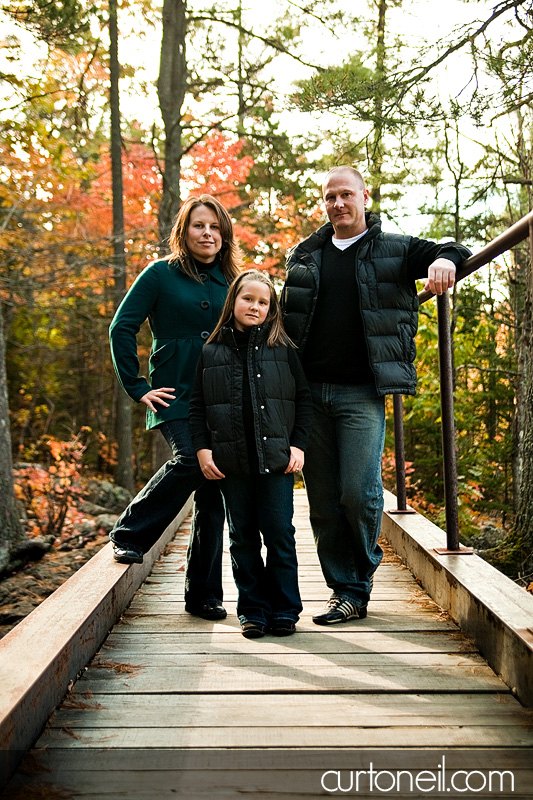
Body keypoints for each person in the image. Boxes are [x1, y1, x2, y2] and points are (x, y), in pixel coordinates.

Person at [281, 166, 471, 625]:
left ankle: (360, 575)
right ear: (323, 203)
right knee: (323, 499)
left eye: (346, 195)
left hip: (361, 393)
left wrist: (445, 261)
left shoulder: (397, 249)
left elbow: (455, 249)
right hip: (311, 394)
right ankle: (344, 591)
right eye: (330, 197)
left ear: (365, 196)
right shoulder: (304, 254)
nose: (338, 204)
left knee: (359, 492)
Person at [108, 194, 241, 621]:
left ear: (225, 236)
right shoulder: (160, 274)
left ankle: (203, 594)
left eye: (215, 228)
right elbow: (122, 327)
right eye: (200, 226)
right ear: (184, 231)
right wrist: (138, 386)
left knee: (212, 493)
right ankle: (130, 532)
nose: (208, 234)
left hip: (219, 396)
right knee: (189, 461)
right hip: (173, 392)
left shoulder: (231, 280)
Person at [189, 270, 313, 638]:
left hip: (276, 460)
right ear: (233, 302)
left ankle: (284, 609)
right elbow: (198, 406)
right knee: (242, 538)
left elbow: (302, 400)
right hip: (231, 463)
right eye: (248, 299)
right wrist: (201, 449)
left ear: (271, 308)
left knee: (279, 534)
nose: (255, 306)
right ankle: (253, 610)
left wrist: (298, 445)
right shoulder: (210, 352)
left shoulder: (284, 350)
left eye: (263, 302)